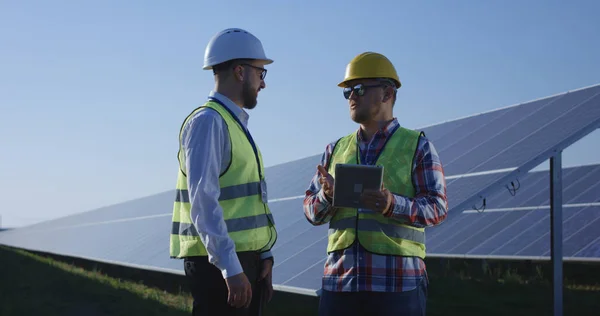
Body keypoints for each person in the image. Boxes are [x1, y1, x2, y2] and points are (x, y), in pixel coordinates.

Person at [303, 52, 449, 316]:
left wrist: (393, 204)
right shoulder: (335, 149)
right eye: (347, 91)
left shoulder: (417, 146)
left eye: (359, 88)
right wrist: (326, 197)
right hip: (340, 284)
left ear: (387, 93)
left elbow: (438, 208)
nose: (351, 97)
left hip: (397, 287)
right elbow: (311, 211)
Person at [169, 28, 277, 316]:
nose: (263, 84)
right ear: (240, 72)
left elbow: (249, 202)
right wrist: (231, 268)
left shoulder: (232, 124)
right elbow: (203, 203)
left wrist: (263, 254)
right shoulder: (209, 122)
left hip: (242, 262)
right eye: (260, 73)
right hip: (219, 265)